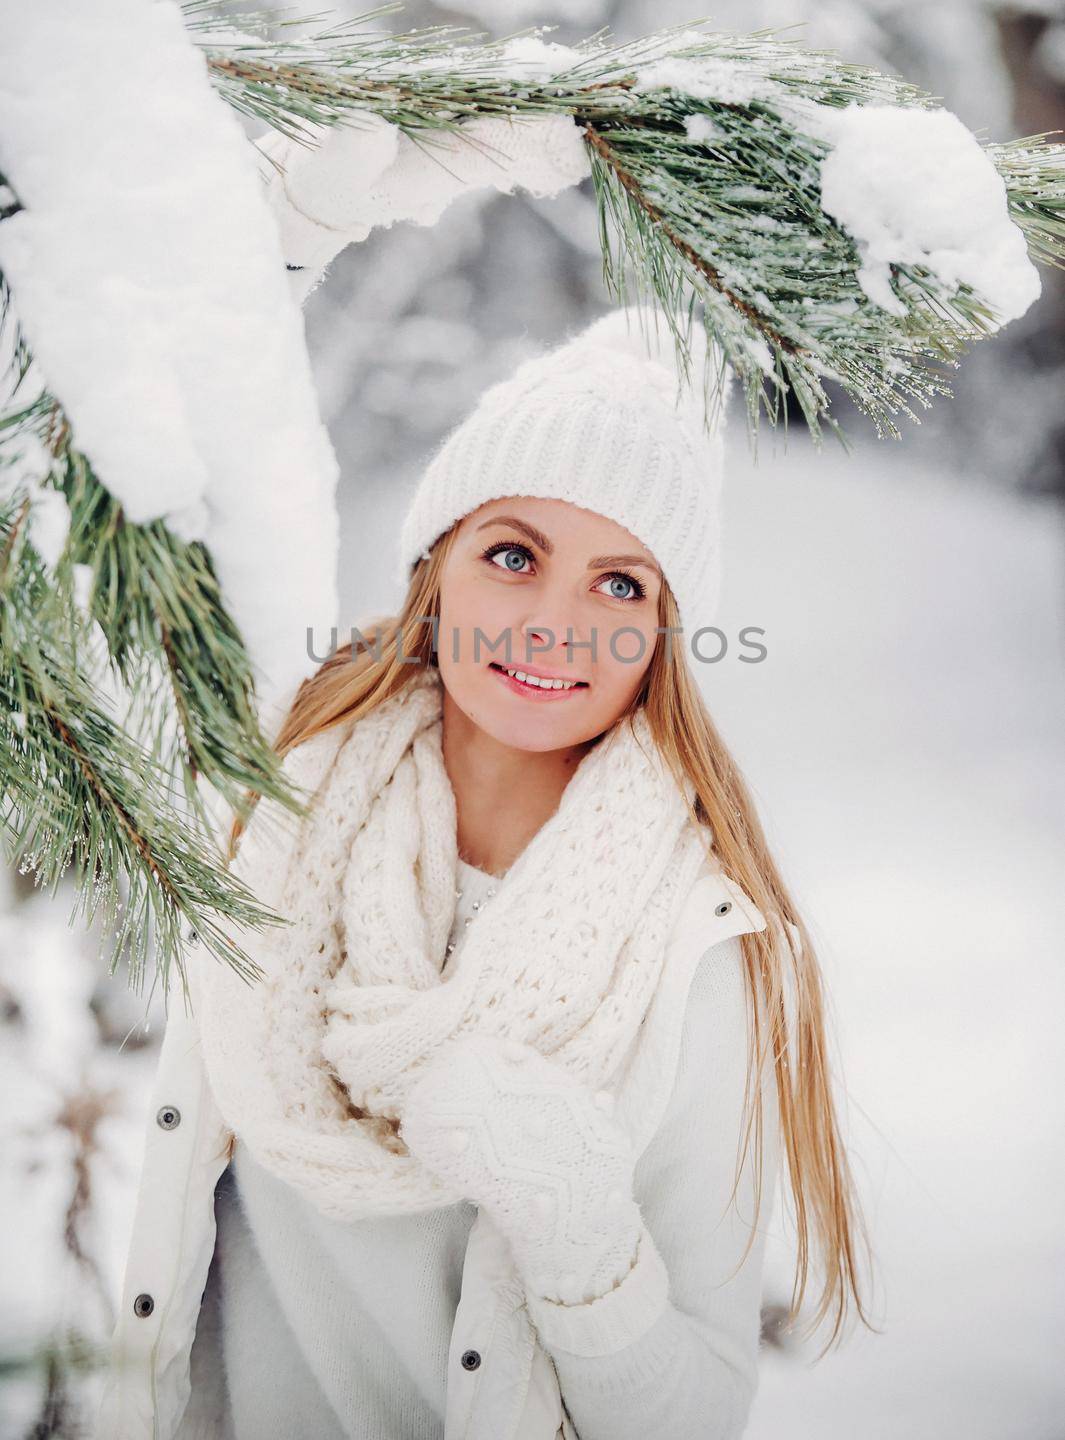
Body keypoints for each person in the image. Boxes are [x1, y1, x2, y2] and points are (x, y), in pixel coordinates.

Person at [95, 112, 872, 1440]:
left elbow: (693, 1415)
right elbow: (109, 500)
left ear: (661, 637)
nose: (552, 622)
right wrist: (281, 245)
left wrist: (583, 1239)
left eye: (618, 582)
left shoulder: (692, 958)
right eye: (513, 553)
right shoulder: (269, 800)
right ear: (434, 569)